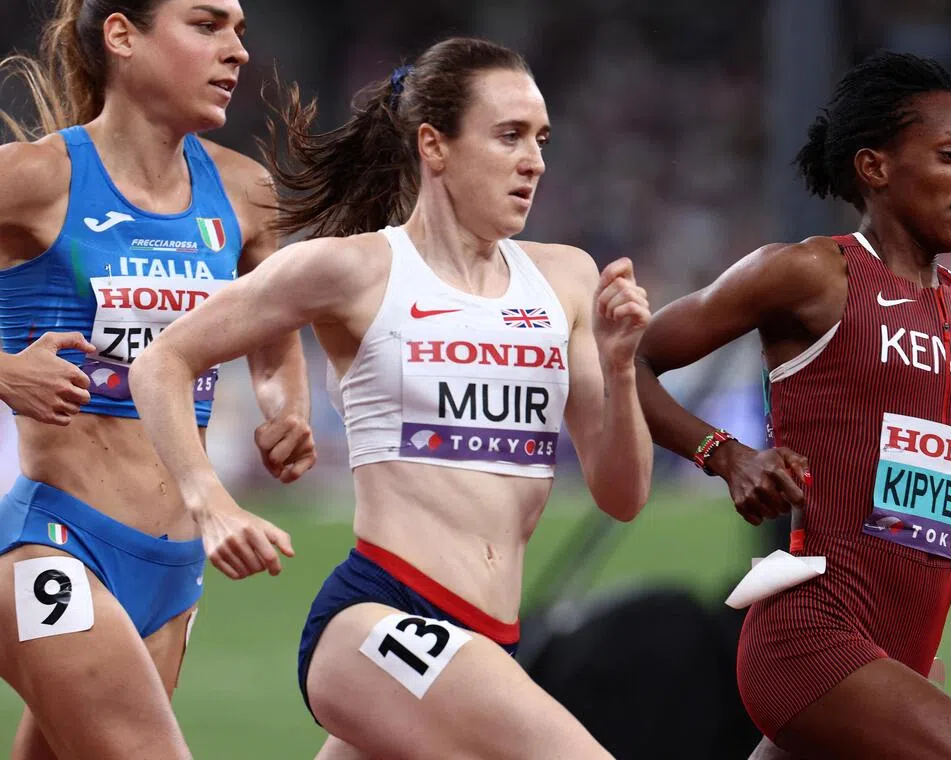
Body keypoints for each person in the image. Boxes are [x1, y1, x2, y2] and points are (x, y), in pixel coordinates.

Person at [131, 36, 654, 760]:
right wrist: (210, 503)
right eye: (508, 136)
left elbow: (622, 494)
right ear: (434, 146)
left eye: (540, 139)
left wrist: (621, 368)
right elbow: (162, 360)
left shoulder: (565, 278)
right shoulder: (355, 271)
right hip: (378, 618)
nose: (533, 159)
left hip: (486, 643)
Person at [635, 51, 951, 759]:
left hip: (898, 659)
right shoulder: (813, 273)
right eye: (950, 154)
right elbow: (635, 361)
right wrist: (726, 456)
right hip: (811, 641)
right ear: (874, 168)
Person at [0, 1, 314, 758]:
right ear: (122, 36)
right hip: (55, 543)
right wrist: (5, 372)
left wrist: (287, 407)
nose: (236, 49)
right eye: (207, 25)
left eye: (239, 29)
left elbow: (273, 336)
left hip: (174, 569)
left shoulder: (244, 193)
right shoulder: (39, 177)